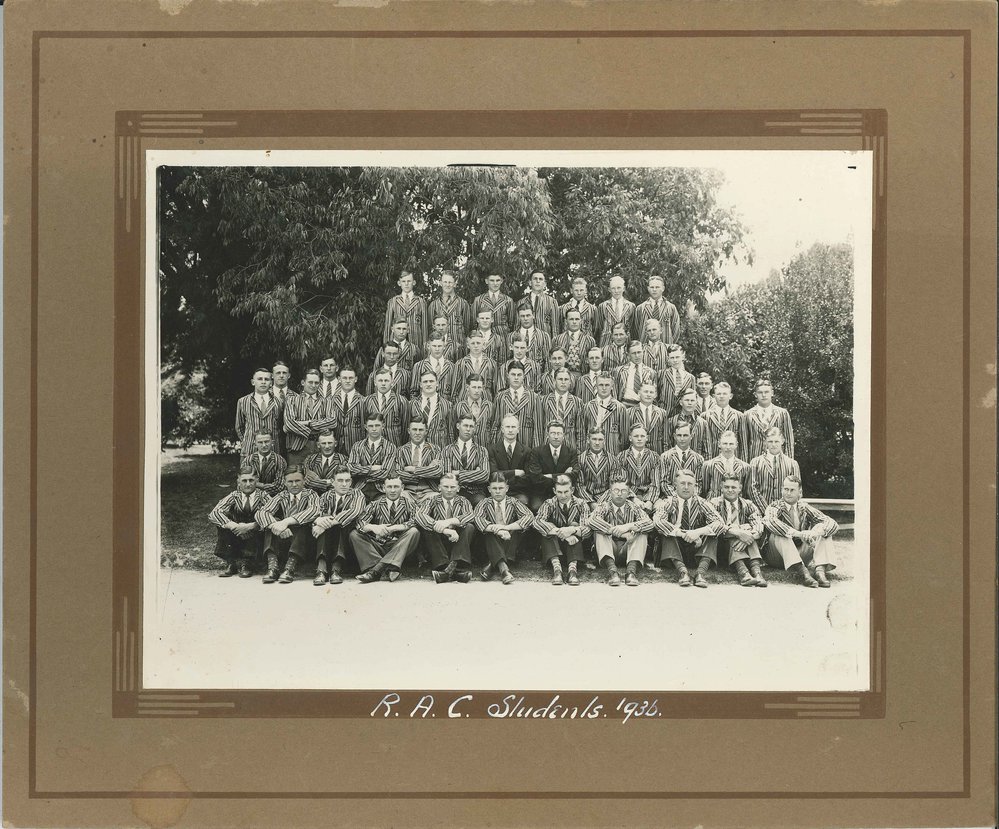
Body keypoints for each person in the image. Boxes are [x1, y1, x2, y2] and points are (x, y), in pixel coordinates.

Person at [763, 474, 839, 588]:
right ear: (781, 490)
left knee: (824, 530)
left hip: (801, 553)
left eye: (792, 490)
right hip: (776, 556)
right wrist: (798, 534)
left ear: (800, 492)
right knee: (781, 533)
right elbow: (770, 521)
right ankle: (804, 573)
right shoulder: (775, 506)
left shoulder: (804, 507)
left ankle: (820, 571)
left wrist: (814, 533)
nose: (788, 493)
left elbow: (831, 523)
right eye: (785, 489)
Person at [653, 468, 723, 588]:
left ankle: (700, 573)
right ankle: (683, 573)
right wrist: (683, 534)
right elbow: (658, 522)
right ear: (675, 485)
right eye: (682, 483)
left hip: (697, 549)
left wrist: (697, 532)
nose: (686, 487)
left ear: (695, 486)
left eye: (690, 484)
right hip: (674, 550)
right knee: (667, 533)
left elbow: (720, 523)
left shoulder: (702, 503)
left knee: (713, 535)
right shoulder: (668, 502)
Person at [255, 465, 321, 584]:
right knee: (270, 523)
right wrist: (276, 525)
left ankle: (289, 568)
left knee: (303, 526)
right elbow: (261, 513)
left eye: (297, 481)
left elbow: (314, 510)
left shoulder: (311, 494)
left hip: (305, 542)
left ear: (304, 481)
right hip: (284, 539)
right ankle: (272, 567)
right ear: (285, 482)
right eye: (290, 481)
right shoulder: (282, 496)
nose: (294, 485)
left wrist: (286, 521)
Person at [349, 476, 421, 583]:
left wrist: (396, 527)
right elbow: (360, 522)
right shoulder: (375, 504)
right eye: (389, 487)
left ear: (402, 488)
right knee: (354, 534)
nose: (392, 490)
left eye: (396, 487)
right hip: (379, 546)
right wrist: (374, 528)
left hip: (400, 545)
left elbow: (417, 521)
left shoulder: (409, 504)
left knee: (414, 532)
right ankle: (389, 567)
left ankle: (376, 570)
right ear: (383, 488)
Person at [587, 480, 655, 586]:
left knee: (642, 532)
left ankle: (631, 573)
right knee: (599, 532)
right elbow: (592, 520)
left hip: (628, 549)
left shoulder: (633, 507)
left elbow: (649, 523)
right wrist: (619, 532)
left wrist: (628, 526)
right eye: (616, 490)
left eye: (623, 491)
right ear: (610, 492)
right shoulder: (604, 506)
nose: (619, 493)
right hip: (609, 550)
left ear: (628, 493)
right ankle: (613, 573)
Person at [415, 472, 477, 584]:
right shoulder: (432, 500)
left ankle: (448, 571)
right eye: (445, 486)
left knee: (469, 527)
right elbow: (420, 516)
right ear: (439, 487)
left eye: (452, 487)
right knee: (427, 528)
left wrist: (449, 521)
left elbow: (470, 516)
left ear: (458, 488)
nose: (449, 490)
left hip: (458, 541)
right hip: (439, 542)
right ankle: (451, 569)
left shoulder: (463, 501)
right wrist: (443, 529)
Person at [473, 473, 535, 584]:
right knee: (489, 533)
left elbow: (529, 517)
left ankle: (492, 565)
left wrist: (506, 528)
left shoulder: (513, 502)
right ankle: (504, 569)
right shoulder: (484, 503)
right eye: (494, 488)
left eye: (501, 488)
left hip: (510, 541)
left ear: (506, 488)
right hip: (491, 542)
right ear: (489, 489)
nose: (497, 491)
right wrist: (497, 529)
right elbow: (478, 519)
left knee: (516, 528)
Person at [208, 466, 269, 578]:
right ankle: (231, 562)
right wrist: (234, 526)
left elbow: (273, 517)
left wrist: (251, 526)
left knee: (262, 519)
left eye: (251, 480)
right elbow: (214, 513)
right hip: (236, 534)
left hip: (255, 535)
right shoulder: (234, 496)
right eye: (244, 481)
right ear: (238, 482)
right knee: (224, 517)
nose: (248, 484)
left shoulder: (263, 496)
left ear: (256, 480)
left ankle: (247, 563)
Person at [706, 475, 767, 587]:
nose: (730, 490)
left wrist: (748, 536)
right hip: (721, 547)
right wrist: (738, 532)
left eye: (733, 487)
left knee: (749, 533)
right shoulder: (714, 504)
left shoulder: (748, 505)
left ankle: (757, 573)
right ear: (721, 487)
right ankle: (743, 572)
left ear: (740, 488)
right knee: (735, 533)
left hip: (746, 546)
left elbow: (758, 525)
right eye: (726, 487)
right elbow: (715, 526)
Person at [310, 466, 366, 585]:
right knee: (322, 524)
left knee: (338, 524)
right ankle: (321, 570)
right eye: (340, 480)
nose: (344, 484)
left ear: (351, 482)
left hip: (346, 537)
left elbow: (355, 511)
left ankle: (336, 569)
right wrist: (318, 521)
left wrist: (326, 523)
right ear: (332, 481)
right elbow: (316, 513)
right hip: (327, 538)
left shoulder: (357, 493)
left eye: (347, 481)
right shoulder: (325, 496)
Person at [534, 475, 592, 586]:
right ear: (554, 491)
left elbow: (588, 529)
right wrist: (562, 532)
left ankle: (572, 571)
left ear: (572, 490)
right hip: (554, 548)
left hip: (574, 548)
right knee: (548, 531)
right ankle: (557, 570)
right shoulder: (549, 503)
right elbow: (537, 522)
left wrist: (572, 530)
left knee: (575, 526)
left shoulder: (581, 504)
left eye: (566, 491)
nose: (563, 495)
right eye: (559, 492)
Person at [284, 368, 337, 465]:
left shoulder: (326, 401)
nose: (313, 386)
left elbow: (333, 422)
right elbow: (289, 424)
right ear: (303, 382)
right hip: (297, 448)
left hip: (320, 448)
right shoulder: (292, 400)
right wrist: (315, 430)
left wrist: (307, 423)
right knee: (296, 477)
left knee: (317, 478)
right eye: (310, 382)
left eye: (316, 383)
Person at [525, 421, 579, 511]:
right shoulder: (537, 452)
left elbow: (575, 475)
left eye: (559, 433)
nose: (556, 436)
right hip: (542, 493)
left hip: (564, 493)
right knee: (536, 508)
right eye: (553, 433)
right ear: (547, 435)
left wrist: (549, 476)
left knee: (573, 508)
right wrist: (563, 475)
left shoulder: (571, 452)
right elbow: (536, 478)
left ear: (564, 435)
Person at [440, 413, 491, 505]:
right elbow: (447, 475)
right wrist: (475, 473)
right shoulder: (447, 450)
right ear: (458, 426)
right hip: (454, 491)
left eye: (471, 426)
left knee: (481, 502)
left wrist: (458, 473)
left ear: (475, 428)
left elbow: (485, 475)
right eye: (465, 425)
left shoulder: (482, 450)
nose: (468, 429)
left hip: (476, 492)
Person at [490, 362, 544, 448]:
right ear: (507, 375)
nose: (516, 378)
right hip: (504, 447)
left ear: (524, 376)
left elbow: (538, 428)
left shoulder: (534, 397)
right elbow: (495, 426)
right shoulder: (500, 397)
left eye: (519, 375)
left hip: (526, 445)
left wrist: (535, 452)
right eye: (513, 374)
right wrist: (494, 447)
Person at [748, 427, 801, 514]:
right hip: (760, 513)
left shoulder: (792, 464)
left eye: (776, 441)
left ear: (782, 441)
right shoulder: (755, 462)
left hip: (784, 514)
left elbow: (796, 490)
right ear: (765, 442)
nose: (773, 444)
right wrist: (766, 511)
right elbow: (752, 489)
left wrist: (781, 510)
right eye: (770, 441)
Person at [347, 413, 399, 501]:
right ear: (366, 427)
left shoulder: (390, 447)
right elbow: (351, 469)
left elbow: (385, 473)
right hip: (361, 487)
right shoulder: (357, 446)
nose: (374, 429)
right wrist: (372, 468)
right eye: (371, 426)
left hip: (381, 489)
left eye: (377, 425)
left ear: (383, 426)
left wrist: (361, 471)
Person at [234, 367, 280, 462]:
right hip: (249, 452)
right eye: (259, 379)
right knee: (249, 476)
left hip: (273, 452)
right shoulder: (243, 401)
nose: (263, 382)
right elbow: (239, 427)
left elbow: (281, 425)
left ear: (271, 383)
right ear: (253, 382)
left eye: (266, 379)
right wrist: (248, 441)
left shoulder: (278, 402)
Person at [743, 379, 796, 459]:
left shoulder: (782, 413)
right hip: (755, 462)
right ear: (755, 394)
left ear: (772, 393)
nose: (764, 395)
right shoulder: (747, 415)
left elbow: (789, 441)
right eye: (760, 392)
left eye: (767, 392)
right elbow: (744, 443)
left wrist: (788, 463)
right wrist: (746, 466)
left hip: (778, 461)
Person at [395, 419, 444, 505]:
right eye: (414, 429)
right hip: (407, 490)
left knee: (438, 500)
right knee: (398, 498)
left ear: (426, 431)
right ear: (408, 431)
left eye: (421, 430)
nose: (417, 433)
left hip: (429, 491)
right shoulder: (401, 450)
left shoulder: (435, 449)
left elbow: (438, 472)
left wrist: (413, 469)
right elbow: (398, 473)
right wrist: (428, 469)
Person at [487, 414, 532, 505]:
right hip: (497, 492)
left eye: (513, 427)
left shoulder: (527, 451)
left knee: (522, 502)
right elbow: (493, 474)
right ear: (502, 429)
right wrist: (514, 473)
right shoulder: (492, 449)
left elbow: (527, 478)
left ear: (518, 429)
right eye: (507, 427)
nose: (510, 430)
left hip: (518, 492)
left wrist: (503, 475)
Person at [383, 269, 430, 356]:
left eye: (409, 281)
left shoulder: (421, 301)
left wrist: (425, 347)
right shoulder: (393, 301)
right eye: (403, 281)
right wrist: (386, 345)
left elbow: (424, 327)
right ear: (399, 283)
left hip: (416, 342)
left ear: (414, 282)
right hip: (396, 343)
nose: (406, 284)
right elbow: (388, 326)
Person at [693, 381, 744, 459]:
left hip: (733, 459)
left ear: (730, 396)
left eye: (724, 394)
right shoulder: (705, 416)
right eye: (719, 394)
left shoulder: (739, 416)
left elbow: (743, 443)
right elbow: (700, 443)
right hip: (712, 458)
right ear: (713, 396)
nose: (721, 396)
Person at [581, 372, 629, 455]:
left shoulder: (620, 408)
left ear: (612, 387)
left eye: (607, 385)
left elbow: (625, 436)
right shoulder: (588, 406)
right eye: (601, 385)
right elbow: (583, 431)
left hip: (612, 452)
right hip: (591, 453)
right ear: (596, 386)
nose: (604, 388)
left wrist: (617, 448)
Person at [615, 424, 660, 511]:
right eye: (636, 436)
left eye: (642, 436)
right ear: (630, 438)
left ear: (647, 438)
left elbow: (655, 483)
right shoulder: (622, 456)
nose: (639, 439)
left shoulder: (654, 457)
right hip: (629, 496)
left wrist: (650, 501)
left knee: (657, 511)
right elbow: (621, 482)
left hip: (648, 496)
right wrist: (634, 499)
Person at [406, 370, 455, 448]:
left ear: (437, 383)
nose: (428, 384)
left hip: (439, 449)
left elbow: (451, 433)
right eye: (425, 382)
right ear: (420, 384)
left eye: (431, 381)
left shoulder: (447, 405)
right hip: (416, 449)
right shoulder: (411, 404)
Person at [655, 422, 705, 498]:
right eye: (679, 435)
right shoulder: (665, 456)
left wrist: (690, 497)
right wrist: (676, 498)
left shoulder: (698, 459)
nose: (682, 439)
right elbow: (664, 483)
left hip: (691, 499)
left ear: (691, 436)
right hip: (670, 498)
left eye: (685, 435)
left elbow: (698, 484)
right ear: (674, 436)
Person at [427, 271, 471, 357]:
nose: (447, 285)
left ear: (454, 284)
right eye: (445, 282)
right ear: (440, 283)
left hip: (459, 348)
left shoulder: (463, 303)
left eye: (450, 282)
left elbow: (467, 327)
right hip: (438, 348)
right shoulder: (434, 305)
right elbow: (430, 328)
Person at [700, 430, 754, 499]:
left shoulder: (745, 467)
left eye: (731, 444)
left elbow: (746, 491)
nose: (728, 447)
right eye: (725, 444)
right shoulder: (709, 465)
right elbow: (704, 490)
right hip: (714, 505)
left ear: (736, 445)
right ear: (719, 444)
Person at [362, 367, 408, 446]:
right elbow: (363, 428)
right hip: (373, 445)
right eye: (380, 380)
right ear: (375, 382)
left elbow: (405, 428)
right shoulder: (367, 401)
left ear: (392, 382)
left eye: (386, 380)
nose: (383, 383)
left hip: (394, 445)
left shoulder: (401, 401)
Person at [541, 368, 586, 449]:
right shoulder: (544, 400)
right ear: (554, 381)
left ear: (570, 382)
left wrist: (579, 453)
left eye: (566, 379)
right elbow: (540, 428)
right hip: (548, 448)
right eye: (560, 379)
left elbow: (580, 432)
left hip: (569, 449)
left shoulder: (577, 402)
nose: (563, 382)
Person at [575, 428, 622, 504]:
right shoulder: (580, 459)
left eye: (600, 440)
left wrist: (601, 503)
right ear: (588, 440)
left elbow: (614, 485)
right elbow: (579, 486)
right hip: (586, 500)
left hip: (606, 500)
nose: (597, 443)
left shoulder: (612, 460)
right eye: (594, 439)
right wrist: (591, 503)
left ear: (604, 441)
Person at [633, 275, 680, 344]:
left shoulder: (670, 307)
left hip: (665, 347)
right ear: (648, 288)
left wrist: (669, 345)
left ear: (663, 288)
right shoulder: (640, 308)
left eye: (657, 287)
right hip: (645, 348)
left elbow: (676, 330)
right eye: (652, 287)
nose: (654, 289)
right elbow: (636, 330)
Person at [471, 273, 517, 342]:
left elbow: (512, 322)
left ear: (501, 281)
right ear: (486, 281)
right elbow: (474, 322)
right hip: (483, 337)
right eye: (492, 280)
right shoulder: (478, 300)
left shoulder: (508, 300)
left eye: (498, 280)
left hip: (502, 337)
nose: (495, 283)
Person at [453, 331, 500, 398]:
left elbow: (495, 389)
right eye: (472, 343)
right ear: (468, 345)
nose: (476, 346)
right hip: (465, 403)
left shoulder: (491, 364)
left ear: (483, 345)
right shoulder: (460, 364)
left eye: (478, 343)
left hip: (485, 403)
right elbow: (455, 390)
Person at [517, 270, 560, 340]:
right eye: (535, 279)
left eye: (540, 279)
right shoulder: (521, 302)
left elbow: (555, 328)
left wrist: (554, 345)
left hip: (544, 342)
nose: (538, 281)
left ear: (545, 284)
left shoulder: (552, 301)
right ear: (530, 283)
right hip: (526, 341)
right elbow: (517, 325)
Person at [626, 383, 668, 454]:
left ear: (655, 395)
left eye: (651, 392)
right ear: (639, 393)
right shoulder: (629, 412)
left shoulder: (662, 413)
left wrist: (664, 454)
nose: (648, 395)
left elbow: (665, 439)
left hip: (657, 452)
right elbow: (626, 437)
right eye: (645, 392)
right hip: (636, 453)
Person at [410, 335, 457, 400]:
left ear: (444, 347)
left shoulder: (452, 367)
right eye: (434, 346)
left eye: (440, 346)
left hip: (445, 407)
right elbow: (414, 392)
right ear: (429, 346)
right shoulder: (419, 366)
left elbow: (454, 392)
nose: (437, 349)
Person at [453, 374, 495, 445]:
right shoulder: (459, 407)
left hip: (485, 447)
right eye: (474, 387)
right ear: (467, 387)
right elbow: (454, 431)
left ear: (483, 388)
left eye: (479, 387)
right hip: (465, 448)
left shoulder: (490, 406)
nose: (476, 390)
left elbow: (493, 428)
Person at [551, 308, 596, 374]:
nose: (574, 322)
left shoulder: (590, 340)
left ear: (581, 321)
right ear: (566, 321)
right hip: (563, 377)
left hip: (582, 376)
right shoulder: (557, 339)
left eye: (577, 319)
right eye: (571, 319)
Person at [330, 366, 365, 452]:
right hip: (335, 448)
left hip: (355, 448)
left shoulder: (363, 401)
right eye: (344, 378)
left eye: (351, 378)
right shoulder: (331, 400)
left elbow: (365, 428)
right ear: (339, 379)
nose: (348, 381)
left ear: (356, 379)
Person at [614, 340, 658, 407]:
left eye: (639, 352)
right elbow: (614, 393)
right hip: (624, 405)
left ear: (643, 352)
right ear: (628, 354)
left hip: (643, 406)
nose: (637, 356)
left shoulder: (651, 372)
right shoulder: (619, 371)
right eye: (633, 353)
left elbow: (654, 395)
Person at [596, 275, 636, 346]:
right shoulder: (603, 306)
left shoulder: (631, 306)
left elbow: (632, 327)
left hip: (625, 343)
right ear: (609, 289)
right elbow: (600, 326)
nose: (616, 291)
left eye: (619, 288)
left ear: (623, 288)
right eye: (613, 288)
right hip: (607, 343)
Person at [509, 306, 551, 370]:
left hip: (537, 375)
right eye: (522, 316)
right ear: (519, 317)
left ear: (533, 315)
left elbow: (548, 361)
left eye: (528, 315)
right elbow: (508, 359)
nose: (525, 318)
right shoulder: (511, 336)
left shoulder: (544, 336)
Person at [658, 345, 696, 416]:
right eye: (672, 358)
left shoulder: (690, 378)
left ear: (683, 356)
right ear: (668, 358)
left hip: (683, 417)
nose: (675, 360)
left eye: (677, 357)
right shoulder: (661, 374)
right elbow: (656, 396)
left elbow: (693, 399)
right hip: (664, 416)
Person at [271, 360, 294, 458]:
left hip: (291, 447)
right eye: (278, 373)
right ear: (272, 375)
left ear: (289, 375)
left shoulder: (297, 397)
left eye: (284, 373)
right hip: (270, 446)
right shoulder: (264, 396)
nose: (281, 375)